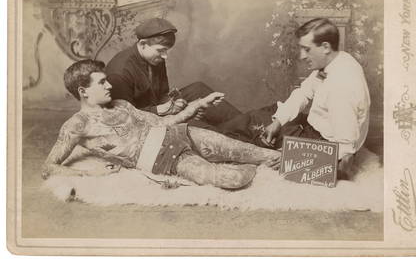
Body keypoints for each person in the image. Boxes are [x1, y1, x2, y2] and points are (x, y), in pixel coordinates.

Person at [42, 60, 281, 190]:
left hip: (181, 134)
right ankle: (253, 168)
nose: (109, 86)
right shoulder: (76, 125)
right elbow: (49, 167)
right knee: (231, 180)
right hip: (164, 160)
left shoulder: (122, 105)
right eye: (102, 83)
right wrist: (89, 172)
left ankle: (303, 162)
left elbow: (163, 121)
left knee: (261, 154)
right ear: (83, 91)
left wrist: (198, 104)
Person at [219, 18, 371, 178]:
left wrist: (296, 158)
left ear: (325, 47)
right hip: (316, 127)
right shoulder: (338, 60)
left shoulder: (341, 86)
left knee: (252, 127)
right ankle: (210, 132)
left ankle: (206, 137)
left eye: (306, 49)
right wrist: (279, 121)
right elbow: (304, 92)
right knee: (267, 114)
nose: (302, 56)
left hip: (321, 143)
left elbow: (346, 149)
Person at [105, 18, 241, 128]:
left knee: (199, 89)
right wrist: (166, 111)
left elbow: (163, 93)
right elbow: (125, 118)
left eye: (166, 51)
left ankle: (249, 126)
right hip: (143, 121)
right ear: (143, 44)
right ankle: (232, 135)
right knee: (196, 126)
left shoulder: (155, 57)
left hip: (158, 108)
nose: (165, 56)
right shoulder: (120, 73)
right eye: (161, 50)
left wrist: (176, 103)